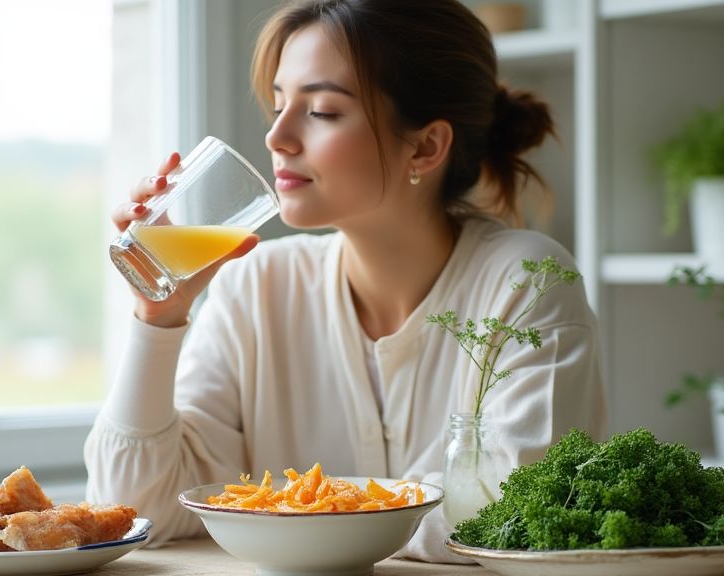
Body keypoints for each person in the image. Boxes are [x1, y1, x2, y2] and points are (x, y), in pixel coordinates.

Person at [85, 0, 606, 562]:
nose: (277, 136)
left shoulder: (524, 282)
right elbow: (133, 511)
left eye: (324, 112)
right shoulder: (257, 285)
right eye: (280, 103)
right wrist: (157, 319)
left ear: (426, 146)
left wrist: (284, 517)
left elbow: (510, 512)